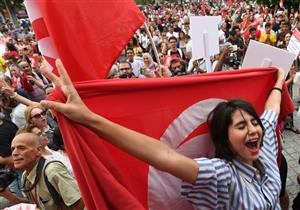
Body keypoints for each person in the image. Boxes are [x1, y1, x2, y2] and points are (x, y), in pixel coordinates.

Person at [40, 59, 285, 209]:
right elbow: (164, 155)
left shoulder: (265, 145)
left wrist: (278, 79)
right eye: (241, 127)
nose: (253, 130)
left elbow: (271, 110)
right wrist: (89, 118)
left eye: (254, 123)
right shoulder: (222, 175)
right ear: (224, 138)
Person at [0, 131, 84, 210]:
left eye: (21, 148)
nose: (14, 153)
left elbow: (80, 203)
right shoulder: (25, 176)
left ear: (38, 150)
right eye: (13, 149)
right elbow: (33, 206)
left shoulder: (52, 170)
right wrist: (7, 195)